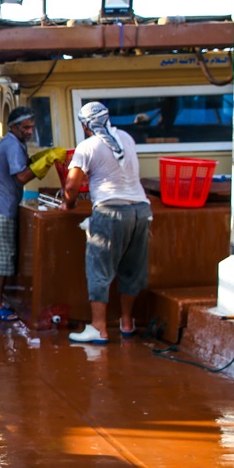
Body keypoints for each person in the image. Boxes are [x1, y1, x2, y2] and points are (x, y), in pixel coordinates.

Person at [61, 101, 152, 344]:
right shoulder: (126, 138)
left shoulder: (87, 146)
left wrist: (67, 204)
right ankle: (126, 323)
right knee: (132, 268)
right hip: (141, 210)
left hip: (111, 211)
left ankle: (99, 328)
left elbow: (71, 186)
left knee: (99, 268)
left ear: (85, 125)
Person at [0, 107, 64, 321]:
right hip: (3, 209)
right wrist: (46, 161)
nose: (30, 131)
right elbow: (21, 178)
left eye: (32, 127)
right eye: (25, 127)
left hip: (2, 207)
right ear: (13, 127)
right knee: (4, 259)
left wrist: (39, 160)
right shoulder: (13, 145)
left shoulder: (13, 142)